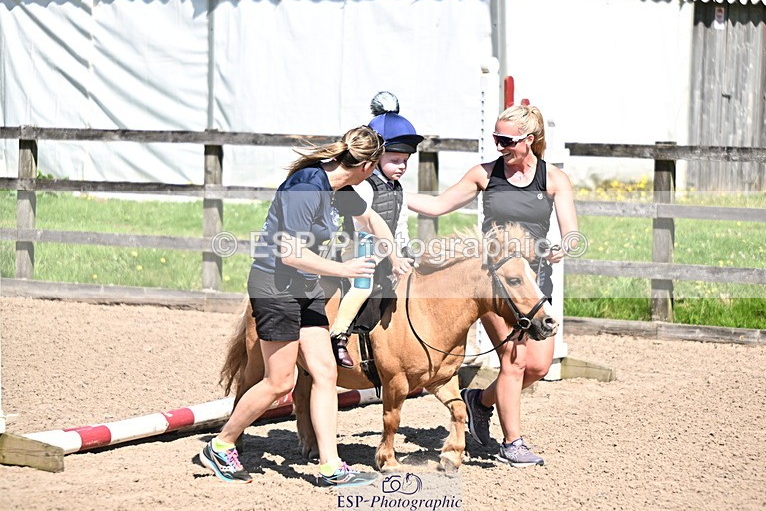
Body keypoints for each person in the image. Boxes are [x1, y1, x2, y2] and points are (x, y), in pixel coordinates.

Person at [199, 125, 412, 485]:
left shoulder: (338, 187)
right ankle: (221, 444)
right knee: (280, 381)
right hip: (276, 287)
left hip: (305, 287)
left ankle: (331, 465)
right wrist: (344, 269)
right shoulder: (307, 187)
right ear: (368, 166)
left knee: (325, 372)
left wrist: (392, 256)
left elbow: (371, 219)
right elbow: (291, 252)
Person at [406, 104, 579, 467]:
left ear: (529, 140)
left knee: (538, 367)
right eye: (495, 138)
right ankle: (513, 443)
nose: (499, 146)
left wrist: (565, 246)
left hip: (532, 282)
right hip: (495, 284)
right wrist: (390, 193)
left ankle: (480, 402)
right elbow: (437, 206)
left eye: (506, 140)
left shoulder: (554, 179)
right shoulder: (484, 174)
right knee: (514, 361)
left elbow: (572, 233)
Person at [329, 91, 422, 368]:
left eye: (405, 160)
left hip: (386, 247)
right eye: (395, 160)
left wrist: (404, 252)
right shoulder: (364, 186)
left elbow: (400, 223)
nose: (402, 166)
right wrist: (386, 255)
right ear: (378, 158)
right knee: (363, 285)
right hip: (358, 246)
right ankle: (340, 335)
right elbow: (363, 227)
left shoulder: (397, 188)